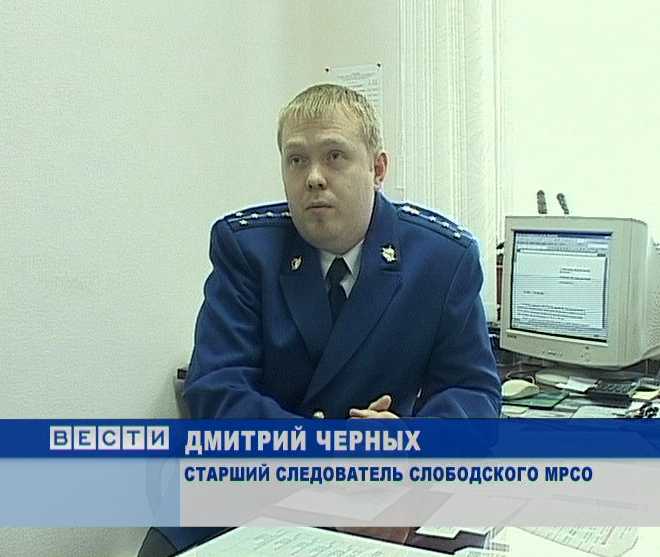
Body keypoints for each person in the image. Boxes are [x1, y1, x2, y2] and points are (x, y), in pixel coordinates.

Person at [139, 84, 500, 556]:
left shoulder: (441, 259)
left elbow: (474, 395)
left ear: (377, 169)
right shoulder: (246, 249)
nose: (313, 178)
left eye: (334, 156)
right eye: (296, 160)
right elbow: (217, 393)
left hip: (379, 504)